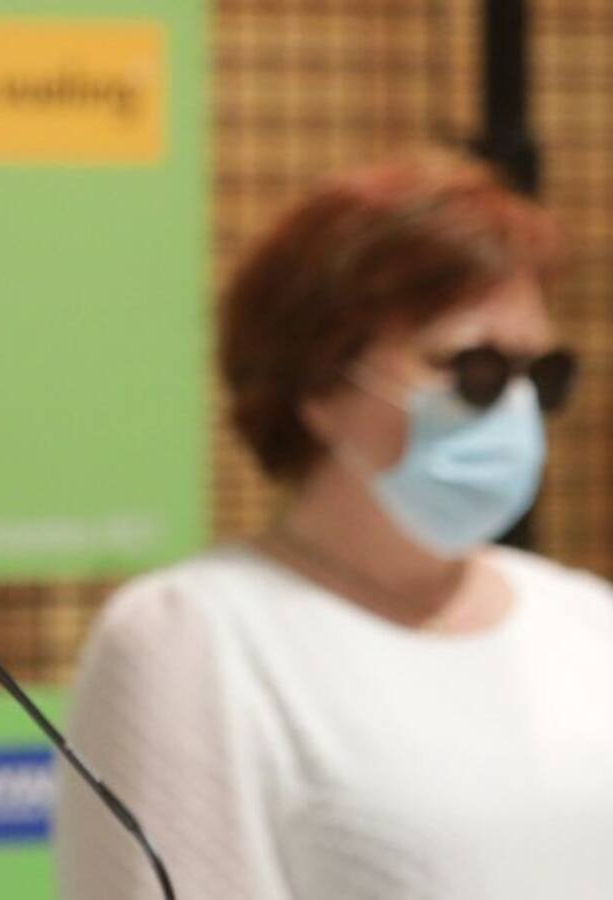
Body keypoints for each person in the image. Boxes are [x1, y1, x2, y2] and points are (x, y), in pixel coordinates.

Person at [54, 155, 613, 898]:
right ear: (320, 380)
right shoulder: (189, 637)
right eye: (473, 369)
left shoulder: (586, 622)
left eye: (540, 376)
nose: (514, 409)